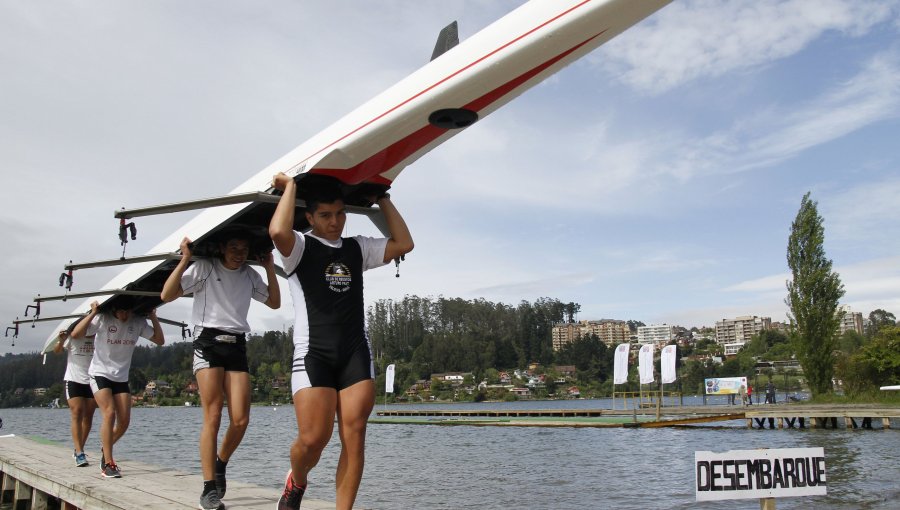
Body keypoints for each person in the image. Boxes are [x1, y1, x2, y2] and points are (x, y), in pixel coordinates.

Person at [269, 173, 413, 510]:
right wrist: (290, 186)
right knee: (313, 439)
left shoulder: (357, 247)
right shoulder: (299, 248)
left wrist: (383, 199)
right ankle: (297, 479)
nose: (335, 222)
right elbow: (277, 231)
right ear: (309, 218)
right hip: (313, 353)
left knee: (355, 436)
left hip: (354, 352)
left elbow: (404, 244)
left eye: (340, 214)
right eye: (325, 216)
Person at [161, 232, 280, 510]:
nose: (239, 252)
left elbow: (274, 303)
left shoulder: (249, 274)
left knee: (240, 419)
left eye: (244, 247)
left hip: (236, 343)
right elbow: (167, 294)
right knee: (213, 414)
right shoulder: (205, 268)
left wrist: (270, 268)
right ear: (223, 248)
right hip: (208, 342)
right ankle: (208, 489)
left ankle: (220, 463)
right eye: (234, 246)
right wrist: (185, 259)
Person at [71, 298, 164, 478]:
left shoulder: (137, 321)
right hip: (100, 373)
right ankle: (108, 464)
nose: (124, 315)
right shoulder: (103, 319)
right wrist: (92, 313)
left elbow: (160, 340)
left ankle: (105, 448)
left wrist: (153, 317)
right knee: (109, 412)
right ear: (113, 310)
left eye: (127, 311)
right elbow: (76, 334)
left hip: (120, 377)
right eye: (120, 311)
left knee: (124, 422)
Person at [53, 322, 97, 467]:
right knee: (77, 412)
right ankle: (79, 453)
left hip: (91, 380)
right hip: (74, 379)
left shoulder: (98, 338)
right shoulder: (73, 338)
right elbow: (57, 351)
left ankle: (79, 448)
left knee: (89, 415)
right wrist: (60, 339)